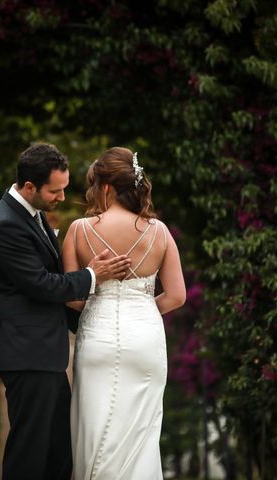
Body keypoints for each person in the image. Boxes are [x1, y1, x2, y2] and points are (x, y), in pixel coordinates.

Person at [0, 143, 132, 480]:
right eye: (56, 191)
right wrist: (94, 275)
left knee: (57, 452)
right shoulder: (6, 223)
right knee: (30, 454)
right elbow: (43, 285)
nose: (62, 198)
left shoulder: (28, 214)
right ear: (30, 187)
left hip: (41, 355)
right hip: (26, 355)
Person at [62, 147, 186, 479]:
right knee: (142, 437)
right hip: (145, 339)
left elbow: (72, 300)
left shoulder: (78, 230)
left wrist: (99, 294)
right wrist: (142, 309)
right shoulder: (159, 232)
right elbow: (176, 296)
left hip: (98, 339)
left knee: (94, 429)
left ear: (104, 187)